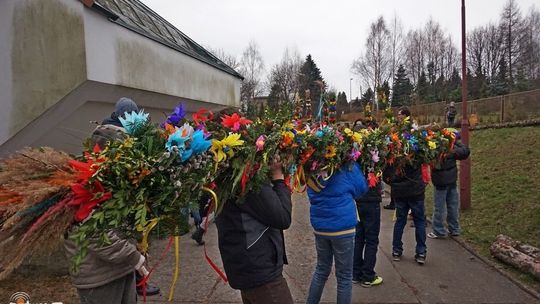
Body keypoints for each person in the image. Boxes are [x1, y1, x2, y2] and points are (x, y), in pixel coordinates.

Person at [66, 97, 160, 302]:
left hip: (119, 270)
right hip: (99, 278)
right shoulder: (85, 184)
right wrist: (134, 257)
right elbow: (95, 234)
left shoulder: (112, 180)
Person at [215, 155, 294, 304]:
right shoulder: (248, 180)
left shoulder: (227, 174)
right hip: (260, 271)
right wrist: (278, 178)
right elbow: (282, 217)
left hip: (247, 265)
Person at [306, 162, 368, 304]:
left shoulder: (312, 168)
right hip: (343, 227)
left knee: (321, 270)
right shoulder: (347, 167)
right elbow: (361, 189)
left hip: (321, 227)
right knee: (344, 276)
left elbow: (311, 192)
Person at [383, 106, 428, 265]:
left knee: (401, 220)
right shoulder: (418, 141)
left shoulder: (393, 143)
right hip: (415, 188)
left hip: (401, 190)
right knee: (419, 221)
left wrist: (392, 182)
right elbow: (423, 160)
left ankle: (397, 250)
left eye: (400, 115)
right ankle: (421, 253)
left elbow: (387, 169)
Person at [428, 137, 470, 239]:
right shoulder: (452, 144)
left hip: (439, 181)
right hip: (452, 179)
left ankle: (439, 230)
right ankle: (454, 229)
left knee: (439, 207)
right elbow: (465, 151)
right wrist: (455, 146)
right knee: (453, 205)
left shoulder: (432, 146)